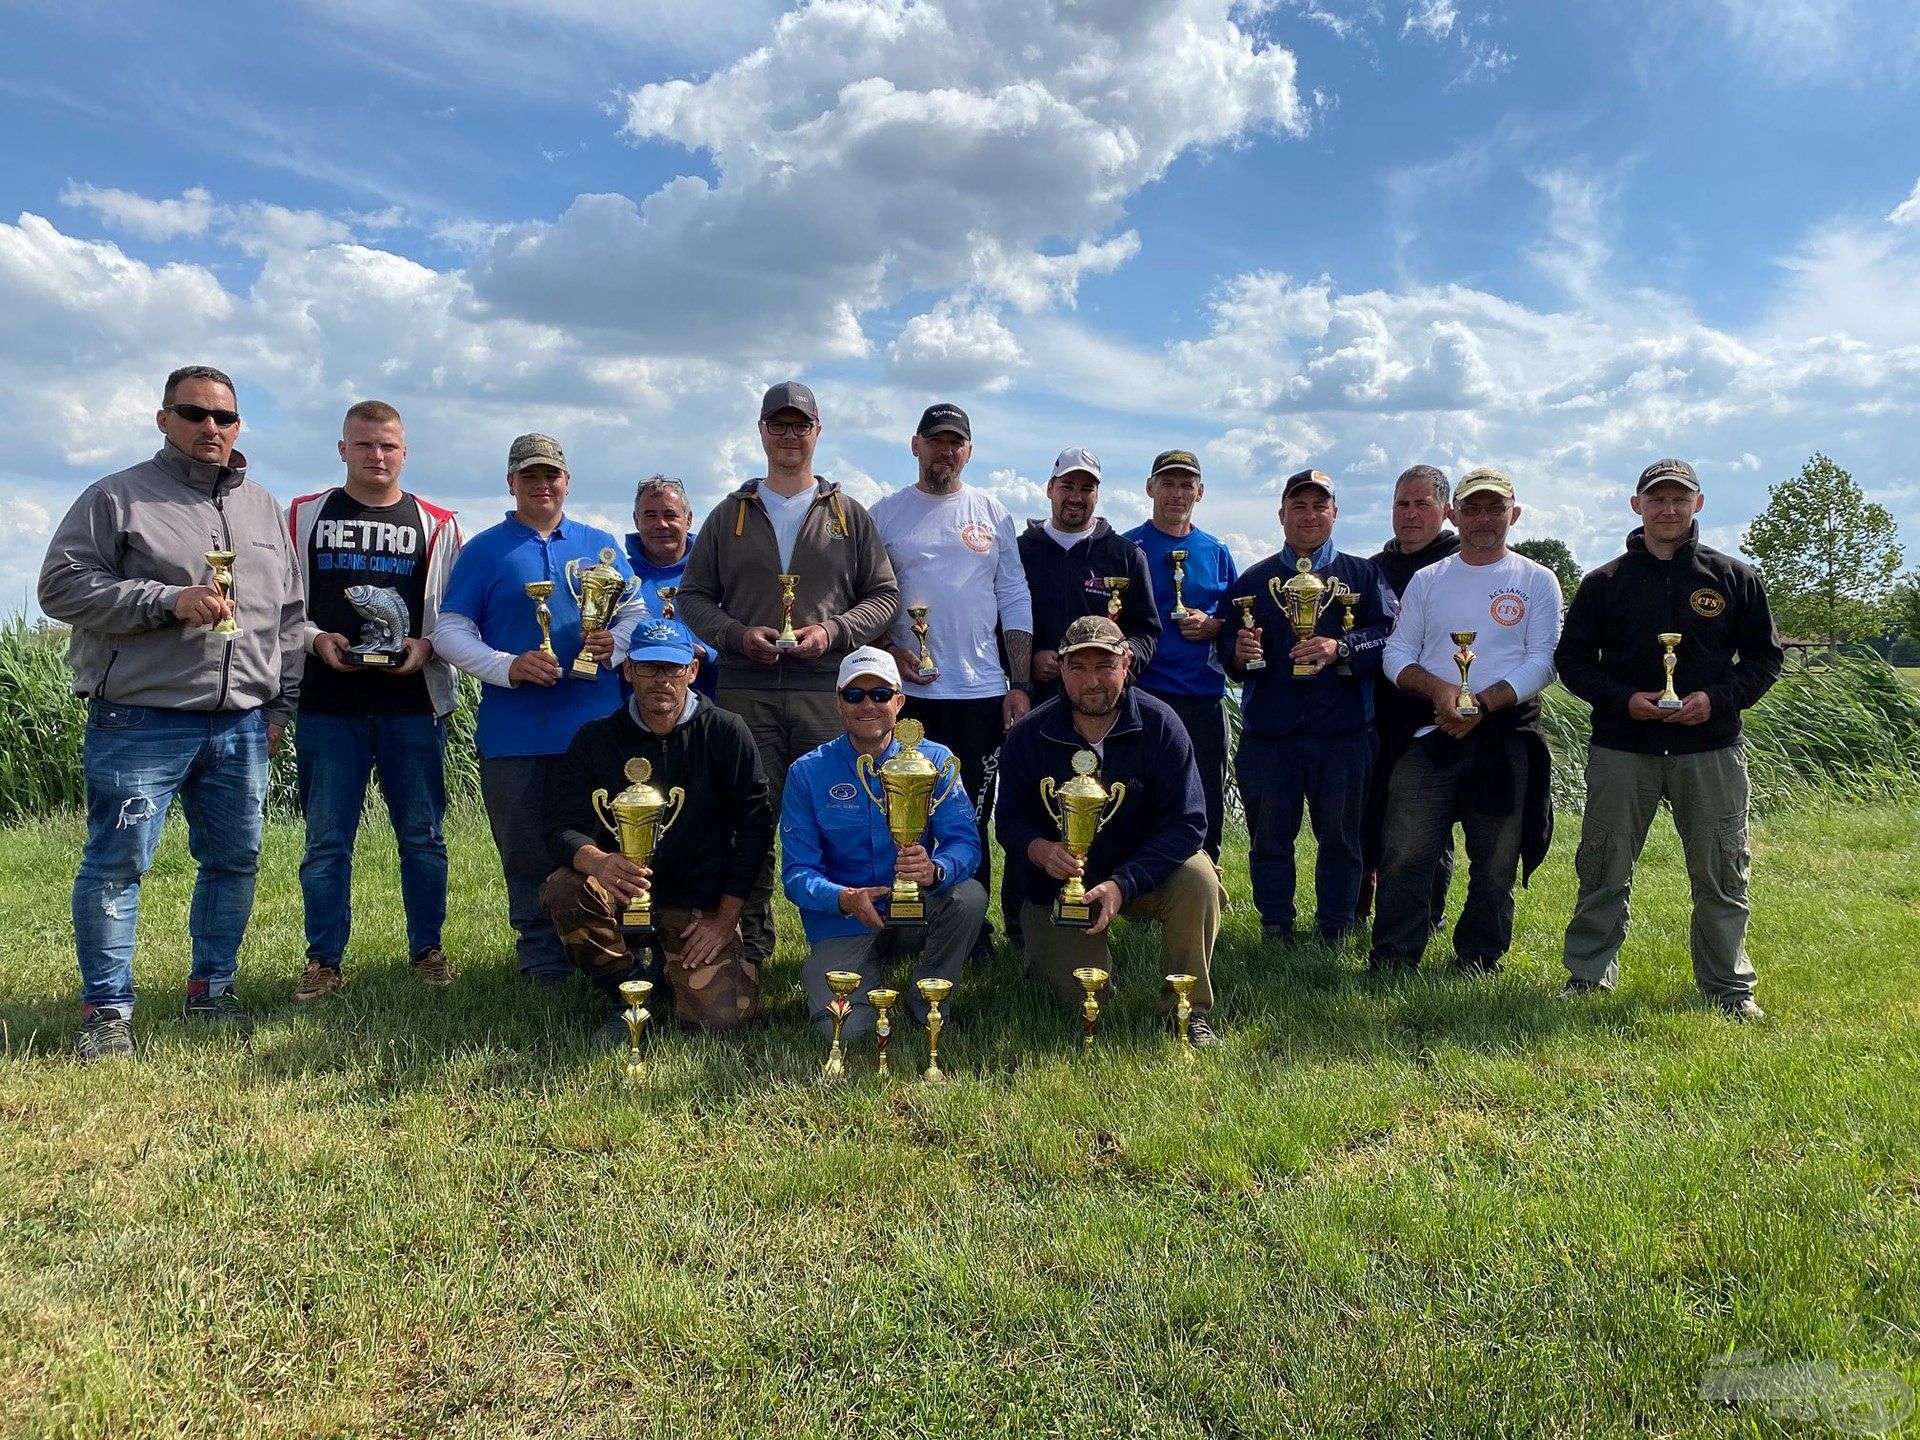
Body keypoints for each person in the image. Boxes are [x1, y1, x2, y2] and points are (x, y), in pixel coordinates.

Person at [38, 364, 306, 1060]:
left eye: (225, 417)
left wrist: (279, 707)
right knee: (117, 863)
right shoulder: (115, 497)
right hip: (141, 720)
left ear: (240, 426)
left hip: (242, 724)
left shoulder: (263, 508)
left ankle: (212, 992)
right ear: (164, 420)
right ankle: (106, 1013)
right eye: (194, 414)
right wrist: (165, 600)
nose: (211, 428)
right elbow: (61, 587)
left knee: (234, 861)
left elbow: (288, 616)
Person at [677, 381, 900, 968]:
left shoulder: (849, 515)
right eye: (777, 425)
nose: (788, 436)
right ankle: (749, 944)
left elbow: (884, 596)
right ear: (761, 433)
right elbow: (693, 596)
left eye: (799, 425)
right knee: (746, 818)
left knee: (842, 816)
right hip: (746, 693)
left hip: (830, 694)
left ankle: (847, 940)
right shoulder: (730, 515)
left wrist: (832, 633)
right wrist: (733, 635)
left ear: (817, 431)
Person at [1556, 459, 1782, 1020]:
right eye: (1656, 498)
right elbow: (1573, 662)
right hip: (1622, 748)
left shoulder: (1734, 578)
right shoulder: (1604, 583)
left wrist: (1716, 700)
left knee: (1723, 868)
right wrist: (1621, 699)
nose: (1668, 509)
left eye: (1679, 498)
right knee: (1603, 864)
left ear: (1698, 504)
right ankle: (1587, 977)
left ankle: (1729, 987)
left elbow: (1764, 658)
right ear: (1637, 506)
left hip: (1709, 749)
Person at [432, 432, 644, 986]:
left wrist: (614, 645)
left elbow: (635, 613)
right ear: (512, 483)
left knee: (609, 842)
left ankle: (614, 947)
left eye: (551, 475)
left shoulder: (599, 545)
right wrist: (507, 666)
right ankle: (541, 959)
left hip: (597, 727)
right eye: (530, 476)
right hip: (515, 732)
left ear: (566, 482)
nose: (542, 484)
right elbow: (449, 630)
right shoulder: (484, 549)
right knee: (524, 849)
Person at [286, 400, 463, 1001]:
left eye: (388, 446)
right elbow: (282, 606)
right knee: (327, 839)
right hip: (327, 703)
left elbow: (454, 615)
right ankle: (324, 959)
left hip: (412, 706)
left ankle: (429, 950)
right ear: (342, 450)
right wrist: (315, 639)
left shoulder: (437, 523)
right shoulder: (305, 516)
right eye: (364, 445)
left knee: (422, 834)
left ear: (404, 452)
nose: (377, 456)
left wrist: (427, 644)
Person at [540, 619, 771, 1042]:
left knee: (722, 1019)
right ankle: (627, 988)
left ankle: (669, 969)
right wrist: (600, 861)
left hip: (698, 902)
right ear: (628, 670)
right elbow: (559, 826)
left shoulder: (726, 732)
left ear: (692, 671)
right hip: (624, 894)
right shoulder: (596, 738)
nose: (661, 679)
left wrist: (725, 919)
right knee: (564, 888)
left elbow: (755, 833)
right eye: (648, 668)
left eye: (673, 668)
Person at [1369, 468, 1562, 975]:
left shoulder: (1537, 580)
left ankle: (1479, 956)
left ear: (1513, 515)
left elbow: (1544, 659)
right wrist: (1442, 692)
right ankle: (1393, 955)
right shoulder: (1427, 580)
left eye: (1494, 508)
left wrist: (1483, 703)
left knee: (1497, 862)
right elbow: (1397, 653)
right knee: (1406, 853)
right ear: (1455, 514)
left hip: (1505, 736)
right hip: (1432, 732)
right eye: (1471, 508)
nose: (1482, 519)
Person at [996, 616, 1223, 1046]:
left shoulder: (1162, 725)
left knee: (1198, 877)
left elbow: (1189, 822)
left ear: (1127, 663)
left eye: (1105, 665)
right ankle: (1043, 951)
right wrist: (1041, 850)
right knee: (1087, 1005)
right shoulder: (1028, 735)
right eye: (1078, 668)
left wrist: (1124, 882)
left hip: (1142, 877)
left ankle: (1186, 1010)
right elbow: (1008, 821)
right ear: (1061, 670)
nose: (1092, 681)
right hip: (1060, 890)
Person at [869, 402, 1033, 954]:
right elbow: (864, 598)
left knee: (970, 814)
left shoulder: (992, 512)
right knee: (898, 812)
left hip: (980, 691)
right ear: (915, 445)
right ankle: (900, 921)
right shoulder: (885, 513)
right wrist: (891, 648)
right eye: (936, 440)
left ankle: (972, 928)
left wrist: (1018, 681)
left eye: (956, 441)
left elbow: (1012, 596)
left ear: (969, 449)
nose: (946, 451)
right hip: (905, 691)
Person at [1217, 469, 1396, 946]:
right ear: (1282, 516)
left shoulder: (1363, 574)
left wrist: (1340, 647)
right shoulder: (1254, 581)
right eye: (1299, 506)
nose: (1310, 515)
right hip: (1269, 733)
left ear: (1335, 513)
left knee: (1341, 837)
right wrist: (1239, 653)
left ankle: (1334, 925)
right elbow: (1229, 656)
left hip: (1343, 732)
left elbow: (1390, 635)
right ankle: (1276, 924)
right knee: (1269, 838)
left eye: (1320, 506)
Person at [780, 646, 987, 1043]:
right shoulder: (807, 773)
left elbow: (965, 841)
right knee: (850, 1033)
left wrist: (935, 870)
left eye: (880, 694)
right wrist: (843, 897)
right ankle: (859, 967)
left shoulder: (936, 761)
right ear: (839, 703)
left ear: (900, 700)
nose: (867, 705)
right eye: (855, 695)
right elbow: (796, 873)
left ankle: (927, 995)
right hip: (844, 918)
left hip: (919, 905)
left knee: (969, 896)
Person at [1359, 463, 1463, 928]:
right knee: (1370, 815)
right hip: (1381, 713)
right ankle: (1358, 908)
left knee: (1429, 825)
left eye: (1423, 504)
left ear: (1446, 510)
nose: (1411, 514)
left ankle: (1429, 915)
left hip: (1440, 715)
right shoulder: (1371, 571)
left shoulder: (1465, 564)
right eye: (1402, 504)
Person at [1124, 449, 1237, 862]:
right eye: (1168, 483)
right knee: (1140, 795)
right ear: (1150, 488)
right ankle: (1133, 886)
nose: (1176, 493)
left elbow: (1238, 616)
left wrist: (1214, 625)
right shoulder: (1125, 547)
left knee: (1205, 795)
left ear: (1200, 492)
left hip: (1203, 695)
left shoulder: (1216, 550)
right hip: (1143, 692)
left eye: (1186, 484)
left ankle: (1206, 880)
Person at [1016, 447, 1160, 707]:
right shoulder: (1019, 552)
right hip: (1037, 700)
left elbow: (1146, 630)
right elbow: (997, 623)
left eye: (1086, 489)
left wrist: (1126, 655)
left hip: (1106, 701)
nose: (1076, 497)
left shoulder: (1127, 555)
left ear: (1097, 494)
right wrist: (1028, 661)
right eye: (1067, 486)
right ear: (1050, 488)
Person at [623, 474, 715, 700]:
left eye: (670, 515)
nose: (660, 524)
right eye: (650, 515)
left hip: (706, 708)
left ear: (689, 519)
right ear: (636, 520)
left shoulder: (718, 574)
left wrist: (707, 654)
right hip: (636, 713)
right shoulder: (621, 579)